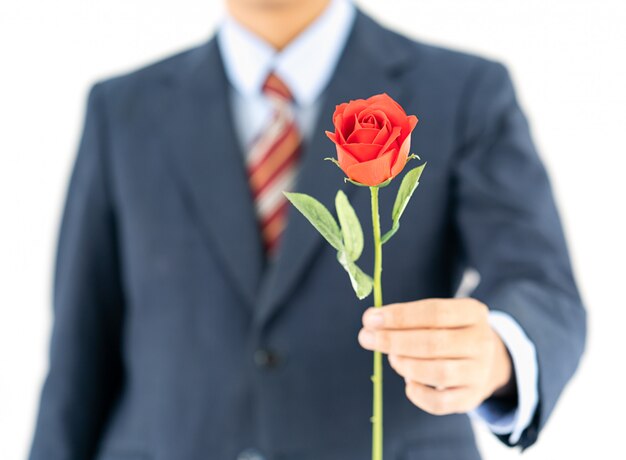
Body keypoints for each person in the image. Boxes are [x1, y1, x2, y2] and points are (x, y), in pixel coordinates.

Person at [28, 0, 586, 459]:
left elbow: (539, 282)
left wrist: (497, 353)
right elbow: (80, 347)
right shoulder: (122, 109)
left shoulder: (464, 91)